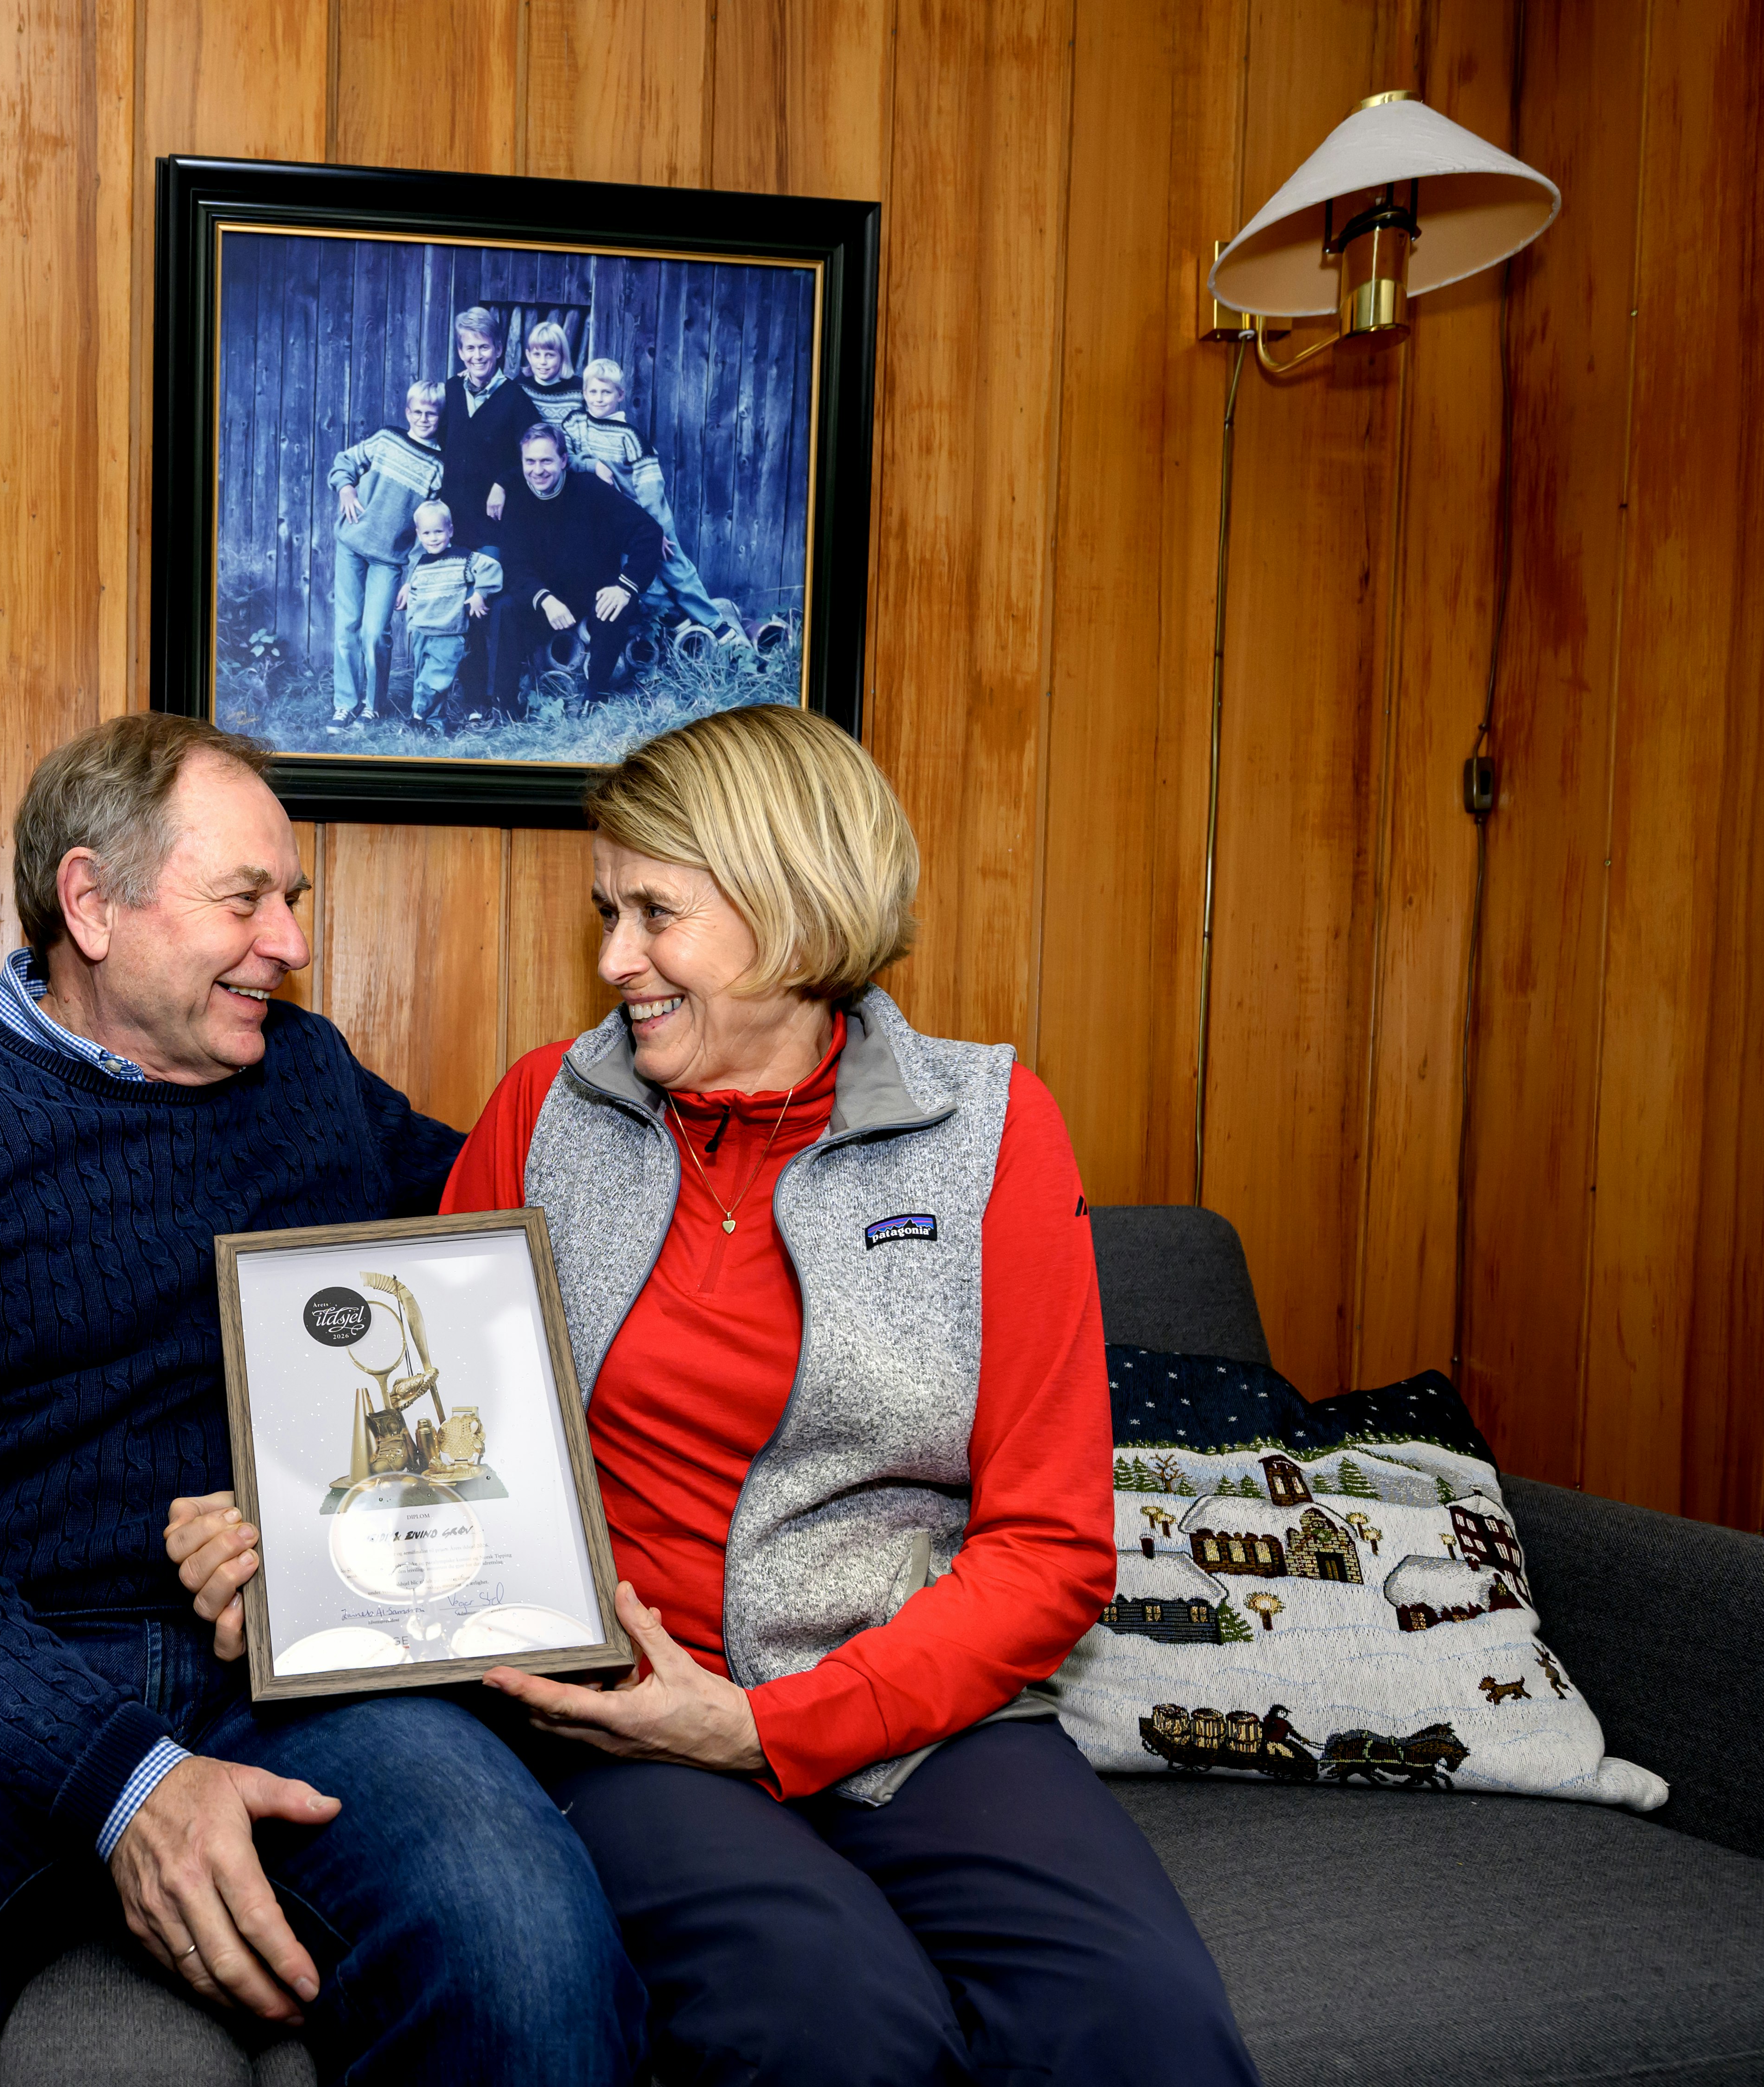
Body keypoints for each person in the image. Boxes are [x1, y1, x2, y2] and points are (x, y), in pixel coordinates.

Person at [0, 714, 643, 2086]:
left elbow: (521, 1240)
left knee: (534, 1968)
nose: (288, 940)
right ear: (90, 903)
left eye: (294, 899)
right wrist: (123, 1780)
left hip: (292, 1666)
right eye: (244, 900)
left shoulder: (313, 1080)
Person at [418, 704, 1255, 2085]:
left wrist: (772, 1724)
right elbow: (443, 1444)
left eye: (654, 913)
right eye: (603, 910)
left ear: (793, 909)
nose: (612, 957)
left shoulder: (986, 1125)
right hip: (627, 1708)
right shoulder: (544, 1113)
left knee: (1143, 2023)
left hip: (917, 1701)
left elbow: (1049, 1546)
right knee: (828, 2018)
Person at [566, 357, 747, 650]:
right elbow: (567, 460)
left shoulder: (631, 438)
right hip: (612, 525)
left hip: (646, 520)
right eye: (593, 392)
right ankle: (677, 619)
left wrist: (657, 532)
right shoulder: (575, 423)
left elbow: (651, 491)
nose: (598, 399)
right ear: (584, 393)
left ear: (620, 396)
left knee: (676, 569)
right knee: (640, 578)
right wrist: (591, 465)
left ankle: (717, 623)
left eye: (607, 393)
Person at [486, 423, 664, 712]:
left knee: (614, 603)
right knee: (504, 607)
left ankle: (596, 697)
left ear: (564, 460)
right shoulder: (517, 501)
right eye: (530, 462)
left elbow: (649, 533)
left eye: (546, 461)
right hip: (550, 602)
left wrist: (625, 586)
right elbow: (516, 567)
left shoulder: (590, 490)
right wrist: (545, 599)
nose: (538, 470)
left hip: (596, 594)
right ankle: (504, 705)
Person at [323, 380, 449, 727]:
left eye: (432, 414)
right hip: (353, 544)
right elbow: (344, 461)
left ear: (440, 417)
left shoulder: (438, 466)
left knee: (375, 631)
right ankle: (345, 703)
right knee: (347, 625)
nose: (424, 419)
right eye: (418, 412)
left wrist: (413, 578)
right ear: (408, 412)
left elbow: (429, 529)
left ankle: (372, 705)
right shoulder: (386, 439)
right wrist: (346, 488)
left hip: (390, 558)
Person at [432, 303, 539, 541]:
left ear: (499, 349)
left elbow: (535, 455)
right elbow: (437, 441)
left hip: (494, 522)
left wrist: (503, 484)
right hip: (450, 521)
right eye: (470, 348)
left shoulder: (515, 398)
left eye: (484, 347)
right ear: (461, 353)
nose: (477, 356)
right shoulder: (451, 390)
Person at [390, 499, 499, 731]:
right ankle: (434, 724)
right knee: (423, 677)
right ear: (419, 535)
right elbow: (416, 581)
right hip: (421, 631)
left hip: (449, 631)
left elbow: (491, 568)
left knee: (435, 680)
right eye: (427, 533)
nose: (433, 538)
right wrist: (409, 588)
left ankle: (417, 716)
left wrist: (480, 593)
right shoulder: (421, 562)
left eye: (439, 531)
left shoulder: (464, 558)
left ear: (450, 530)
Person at [516, 318, 586, 429]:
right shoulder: (521, 386)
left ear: (562, 356)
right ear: (529, 356)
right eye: (537, 355)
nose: (543, 362)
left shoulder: (579, 390)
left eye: (550, 355)